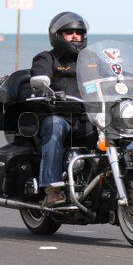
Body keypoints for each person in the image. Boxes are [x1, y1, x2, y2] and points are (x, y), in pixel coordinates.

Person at [31, 11, 89, 206]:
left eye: (79, 33)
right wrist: (43, 86)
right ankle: (52, 189)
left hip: (89, 116)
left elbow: (113, 76)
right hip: (60, 115)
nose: (75, 36)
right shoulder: (46, 58)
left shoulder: (91, 60)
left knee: (125, 123)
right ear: (57, 35)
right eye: (69, 32)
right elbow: (39, 78)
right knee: (54, 126)